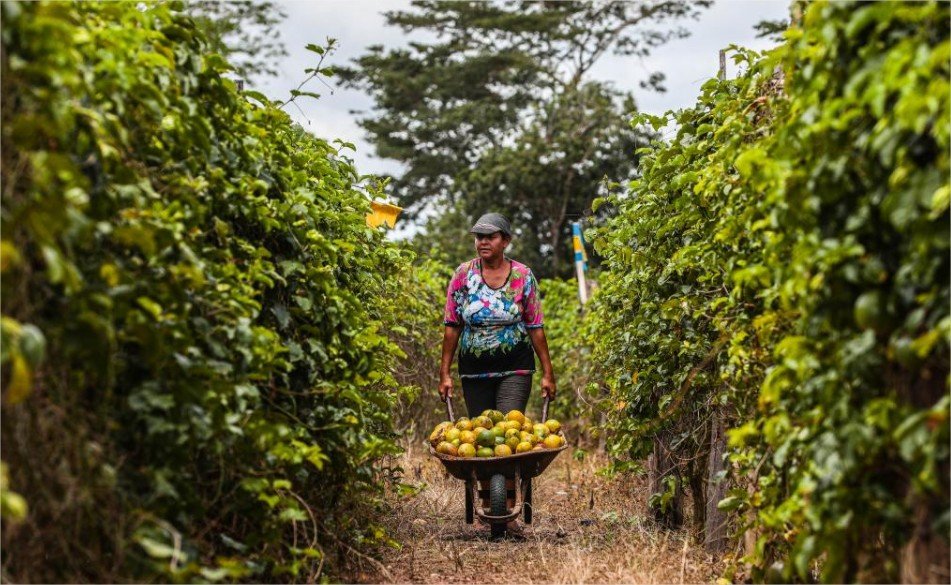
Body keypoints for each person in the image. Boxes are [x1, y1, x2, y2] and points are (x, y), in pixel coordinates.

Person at [439, 212, 556, 418]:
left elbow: (535, 326)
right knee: (482, 434)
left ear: (505, 241)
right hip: (474, 371)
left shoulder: (523, 275)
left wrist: (548, 373)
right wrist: (444, 373)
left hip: (515, 368)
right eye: (479, 237)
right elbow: (452, 325)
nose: (483, 242)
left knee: (508, 429)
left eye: (490, 237)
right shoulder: (463, 274)